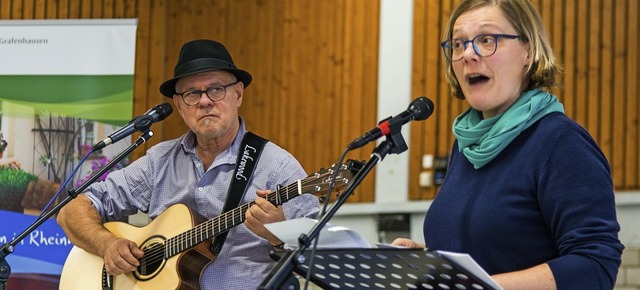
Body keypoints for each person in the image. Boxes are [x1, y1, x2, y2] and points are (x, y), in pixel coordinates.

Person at [392, 0, 623, 289]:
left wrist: (478, 285)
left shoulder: (561, 143)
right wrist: (427, 261)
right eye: (459, 44)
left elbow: (595, 266)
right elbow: (492, 254)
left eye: (487, 40)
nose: (468, 55)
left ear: (528, 51)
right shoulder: (466, 147)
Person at [57, 39, 320, 289]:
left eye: (216, 89)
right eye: (192, 93)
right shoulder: (159, 161)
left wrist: (277, 234)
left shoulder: (278, 167)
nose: (205, 100)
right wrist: (106, 244)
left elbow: (317, 261)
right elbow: (72, 210)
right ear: (180, 105)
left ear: (238, 94)